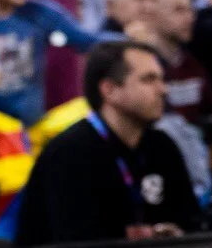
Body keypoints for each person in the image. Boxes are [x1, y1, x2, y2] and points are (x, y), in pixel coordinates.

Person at [14, 41, 200, 246]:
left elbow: (193, 223)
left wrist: (176, 233)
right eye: (149, 80)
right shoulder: (69, 154)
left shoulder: (162, 146)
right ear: (109, 90)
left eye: (162, 79)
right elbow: (73, 239)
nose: (163, 90)